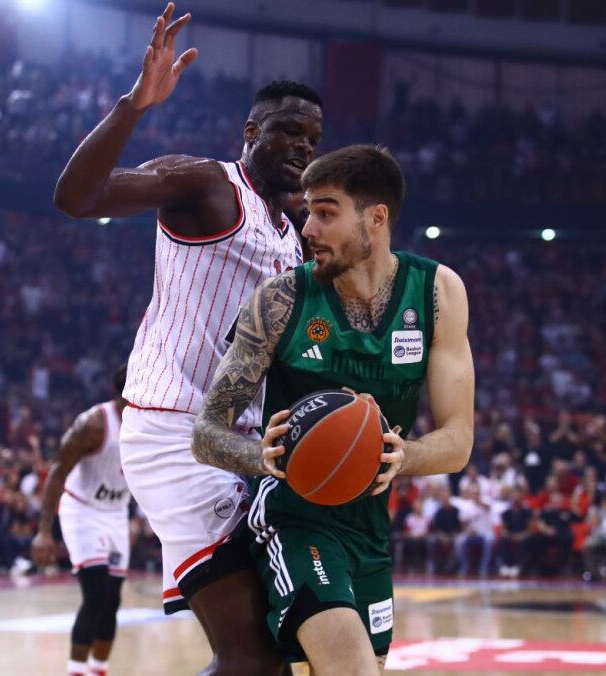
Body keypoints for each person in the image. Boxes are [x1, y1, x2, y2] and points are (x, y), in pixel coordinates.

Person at [52, 4, 323, 672]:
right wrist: (134, 106)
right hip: (175, 432)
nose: (302, 147)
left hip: (239, 444)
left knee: (270, 656)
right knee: (251, 661)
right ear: (252, 131)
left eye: (312, 139)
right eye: (289, 131)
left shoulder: (294, 235)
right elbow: (77, 198)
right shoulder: (206, 183)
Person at [192, 145, 475, 674]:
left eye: (325, 213)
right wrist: (262, 457)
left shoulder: (437, 293)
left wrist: (401, 456)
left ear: (376, 218)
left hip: (368, 527)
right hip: (292, 517)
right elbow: (206, 432)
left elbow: (458, 441)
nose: (308, 229)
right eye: (307, 213)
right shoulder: (280, 300)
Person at [31, 366, 130, 676]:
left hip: (116, 513)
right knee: (96, 593)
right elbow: (58, 471)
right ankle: (76, 670)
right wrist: (44, 531)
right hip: (83, 511)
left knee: (112, 599)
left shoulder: (148, 422)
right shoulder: (94, 424)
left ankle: (98, 670)